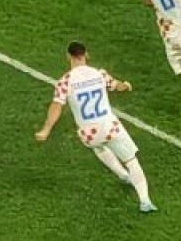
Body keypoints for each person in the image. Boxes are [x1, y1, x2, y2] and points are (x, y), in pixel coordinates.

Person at [34, 42, 157, 213]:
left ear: (68, 56)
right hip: (109, 127)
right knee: (131, 160)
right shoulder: (99, 74)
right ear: (86, 54)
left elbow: (56, 106)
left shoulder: (65, 81)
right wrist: (126, 86)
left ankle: (122, 175)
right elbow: (117, 86)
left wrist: (46, 129)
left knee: (99, 148)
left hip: (88, 134)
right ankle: (145, 200)